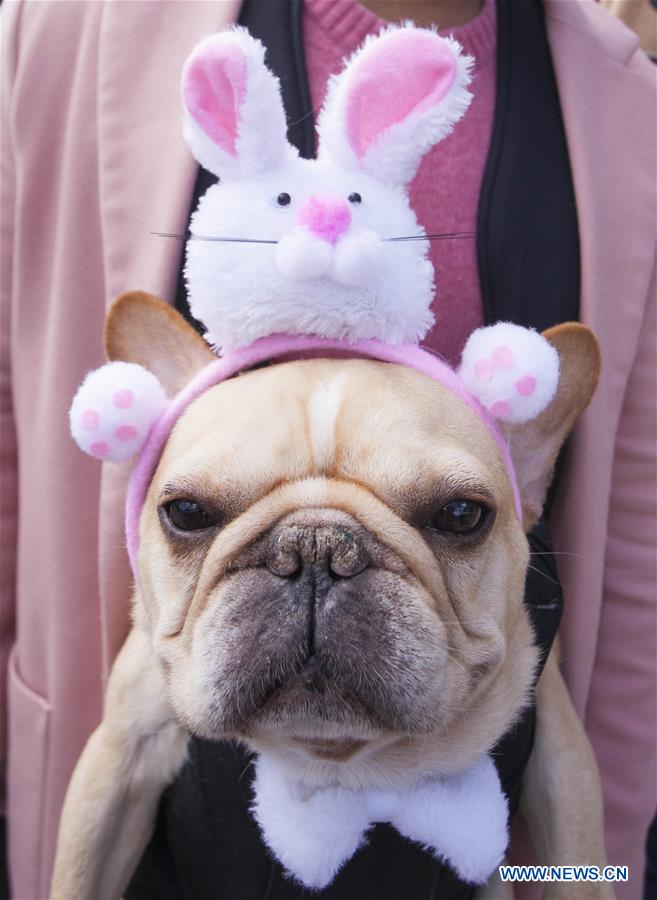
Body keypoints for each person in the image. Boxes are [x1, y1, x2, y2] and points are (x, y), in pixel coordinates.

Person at [1, 1, 655, 897]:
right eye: (196, 513)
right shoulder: (55, 26)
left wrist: (604, 866)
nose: (319, 570)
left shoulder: (628, 101)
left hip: (481, 833)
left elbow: (639, 542)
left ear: (523, 480)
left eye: (451, 515)